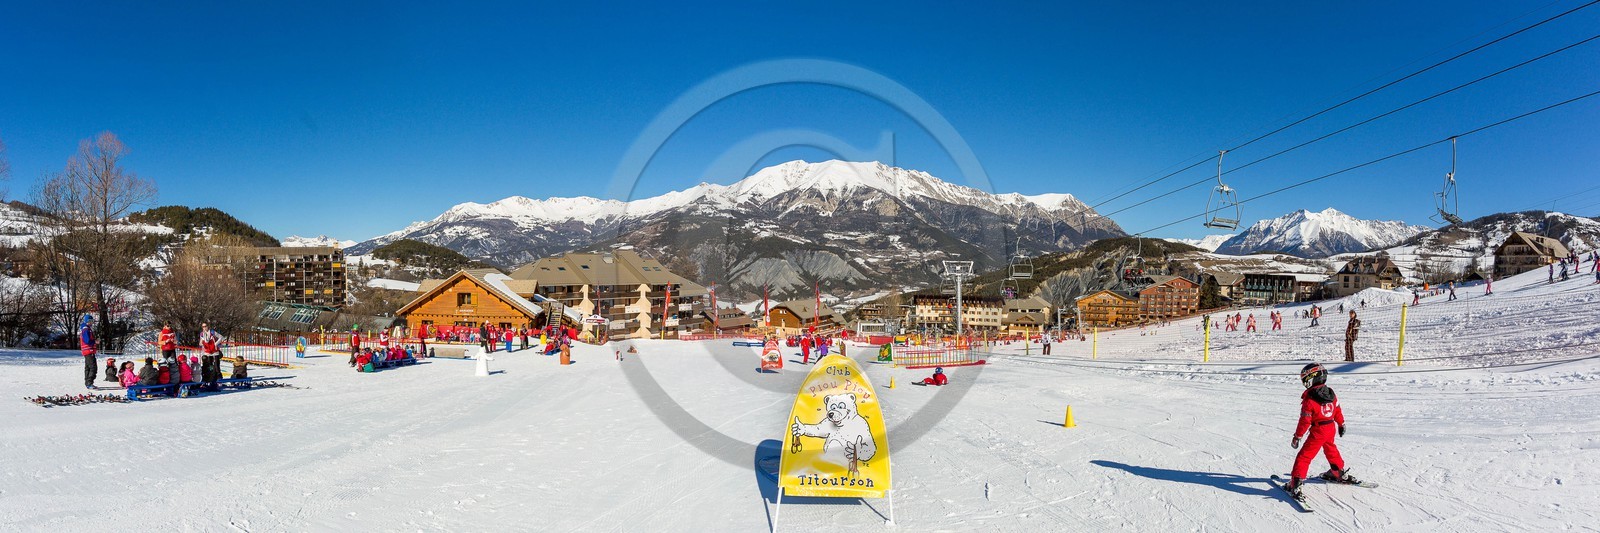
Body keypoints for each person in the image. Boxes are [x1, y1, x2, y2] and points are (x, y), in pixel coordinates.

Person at [1282, 363, 1361, 500]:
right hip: (1330, 428)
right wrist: (1341, 424)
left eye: (1305, 379)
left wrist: (1298, 436)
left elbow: (1305, 421)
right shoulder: (1330, 393)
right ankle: (1338, 472)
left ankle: (1296, 483)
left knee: (1305, 456)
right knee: (1331, 450)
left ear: (1312, 379)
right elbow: (1337, 410)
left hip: (1318, 430)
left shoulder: (1310, 399)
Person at [79, 315, 96, 389]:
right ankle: (89, 383)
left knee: (88, 367)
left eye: (92, 321)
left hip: (87, 351)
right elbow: (87, 340)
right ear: (87, 321)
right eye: (90, 321)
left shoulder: (85, 329)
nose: (91, 323)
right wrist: (95, 341)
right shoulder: (86, 330)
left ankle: (87, 383)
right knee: (93, 367)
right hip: (89, 350)